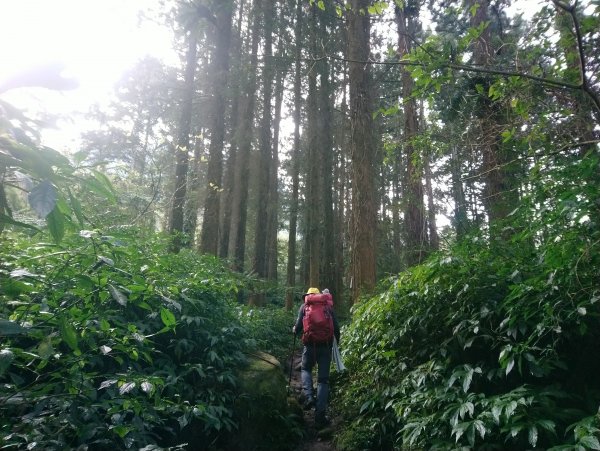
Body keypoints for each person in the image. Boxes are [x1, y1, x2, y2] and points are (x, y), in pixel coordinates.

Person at [292, 287, 340, 429]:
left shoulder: (304, 306)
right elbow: (336, 328)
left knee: (305, 368)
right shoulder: (327, 307)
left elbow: (298, 327)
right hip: (325, 346)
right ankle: (320, 417)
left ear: (308, 295)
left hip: (309, 346)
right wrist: (335, 344)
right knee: (323, 381)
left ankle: (308, 396)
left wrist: (295, 330)